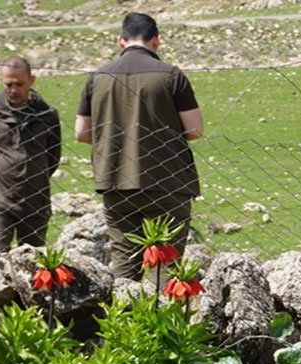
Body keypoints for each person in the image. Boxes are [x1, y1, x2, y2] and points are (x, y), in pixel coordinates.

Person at [75, 12, 204, 278]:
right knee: (168, 266)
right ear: (156, 40)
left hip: (116, 181)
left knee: (124, 265)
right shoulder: (171, 75)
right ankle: (166, 317)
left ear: (120, 41)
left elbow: (81, 132)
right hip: (166, 181)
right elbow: (195, 130)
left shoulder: (98, 77)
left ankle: (125, 316)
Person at [0, 56, 62, 251]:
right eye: (8, 84)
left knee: (33, 263)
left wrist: (33, 176)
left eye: (19, 84)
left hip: (36, 202)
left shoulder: (47, 115)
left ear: (32, 80)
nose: (13, 90)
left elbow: (53, 157)